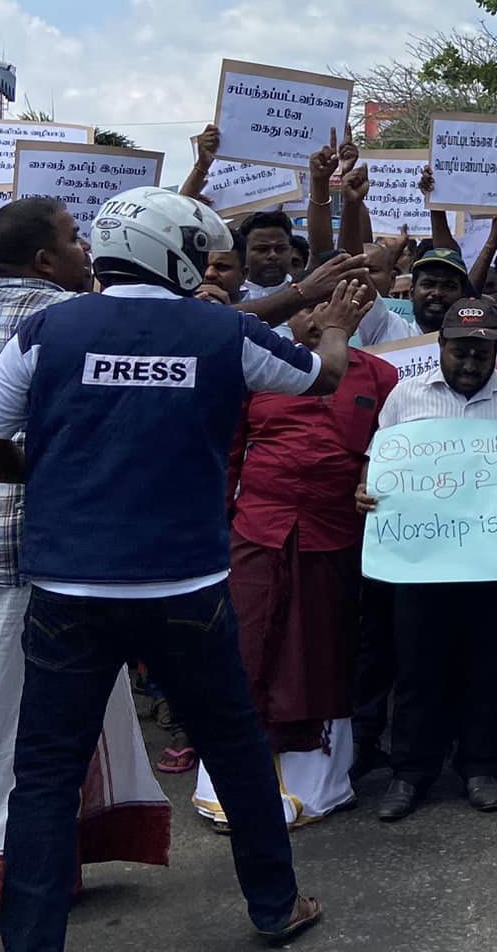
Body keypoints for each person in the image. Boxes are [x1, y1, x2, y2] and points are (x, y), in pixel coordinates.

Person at [0, 187, 368, 949]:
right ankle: (275, 906)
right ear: (174, 252)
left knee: (46, 774)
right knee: (235, 749)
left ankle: (32, 940)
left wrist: (47, 479)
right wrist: (337, 327)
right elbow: (324, 377)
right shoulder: (222, 331)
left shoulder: (47, 330)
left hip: (69, 587)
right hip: (185, 588)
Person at [0, 199, 169, 930]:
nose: (87, 251)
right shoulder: (73, 318)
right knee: (44, 723)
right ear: (46, 260)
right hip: (56, 546)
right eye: (75, 239)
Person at [192, 302, 401, 832]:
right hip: (256, 529)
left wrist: (371, 486)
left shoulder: (380, 375)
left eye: (339, 304)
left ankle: (315, 788)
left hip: (335, 538)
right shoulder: (259, 366)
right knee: (246, 648)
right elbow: (227, 451)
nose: (324, 315)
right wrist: (216, 525)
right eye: (316, 303)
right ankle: (233, 790)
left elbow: (391, 452)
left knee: (322, 655)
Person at [363, 297, 497, 824]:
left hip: (492, 563)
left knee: (486, 667)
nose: (470, 362)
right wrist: (366, 490)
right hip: (420, 561)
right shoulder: (406, 395)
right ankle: (410, 772)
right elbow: (379, 462)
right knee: (417, 669)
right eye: (460, 351)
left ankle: (479, 766)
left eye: (481, 353)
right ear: (440, 345)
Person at [236, 209, 301, 303]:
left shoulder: (306, 294)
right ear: (243, 253)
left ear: (290, 252)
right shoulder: (226, 296)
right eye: (262, 249)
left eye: (280, 248)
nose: (273, 255)